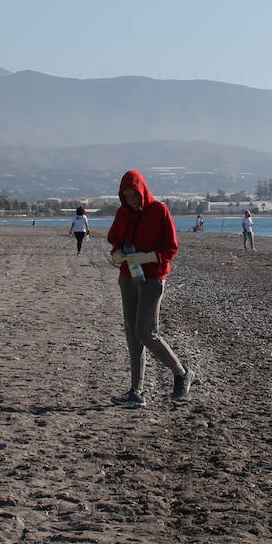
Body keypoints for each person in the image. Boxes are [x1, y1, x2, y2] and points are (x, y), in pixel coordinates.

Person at [106, 169, 192, 407]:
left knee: (145, 332)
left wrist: (149, 257)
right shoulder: (122, 214)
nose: (132, 200)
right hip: (128, 278)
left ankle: (181, 372)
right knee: (132, 334)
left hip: (153, 278)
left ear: (142, 190)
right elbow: (114, 239)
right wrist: (118, 253)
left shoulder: (159, 210)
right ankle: (136, 391)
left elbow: (171, 247)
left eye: (135, 195)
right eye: (127, 196)